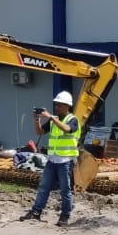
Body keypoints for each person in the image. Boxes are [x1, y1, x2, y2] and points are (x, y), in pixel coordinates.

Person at [21, 90, 80, 227]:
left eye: (59, 105)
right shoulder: (54, 120)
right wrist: (37, 120)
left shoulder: (72, 119)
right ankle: (36, 212)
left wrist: (51, 117)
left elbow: (67, 129)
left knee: (65, 190)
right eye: (56, 104)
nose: (57, 107)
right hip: (52, 159)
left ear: (67, 106)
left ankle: (65, 215)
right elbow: (40, 131)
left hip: (65, 161)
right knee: (44, 187)